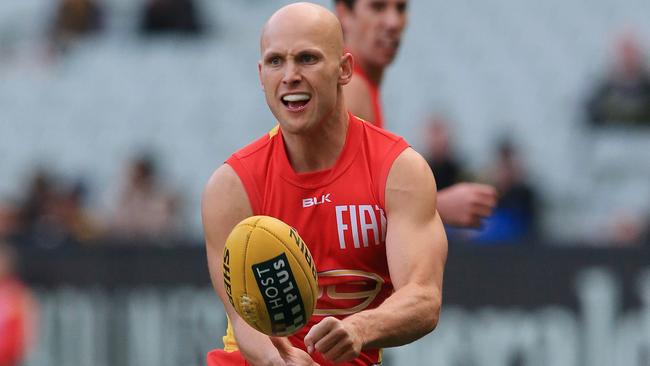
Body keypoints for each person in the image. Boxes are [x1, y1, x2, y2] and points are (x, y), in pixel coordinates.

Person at [202, 3, 447, 365]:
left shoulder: (399, 171)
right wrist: (277, 360)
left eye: (307, 59)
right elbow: (242, 315)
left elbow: (424, 298)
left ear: (345, 69)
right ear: (260, 74)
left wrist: (360, 328)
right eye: (275, 62)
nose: (289, 75)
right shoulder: (232, 185)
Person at [334, 0, 497, 228]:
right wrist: (437, 206)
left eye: (400, 8)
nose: (393, 22)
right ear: (344, 14)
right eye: (377, 7)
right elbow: (338, 211)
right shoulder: (351, 89)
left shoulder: (357, 85)